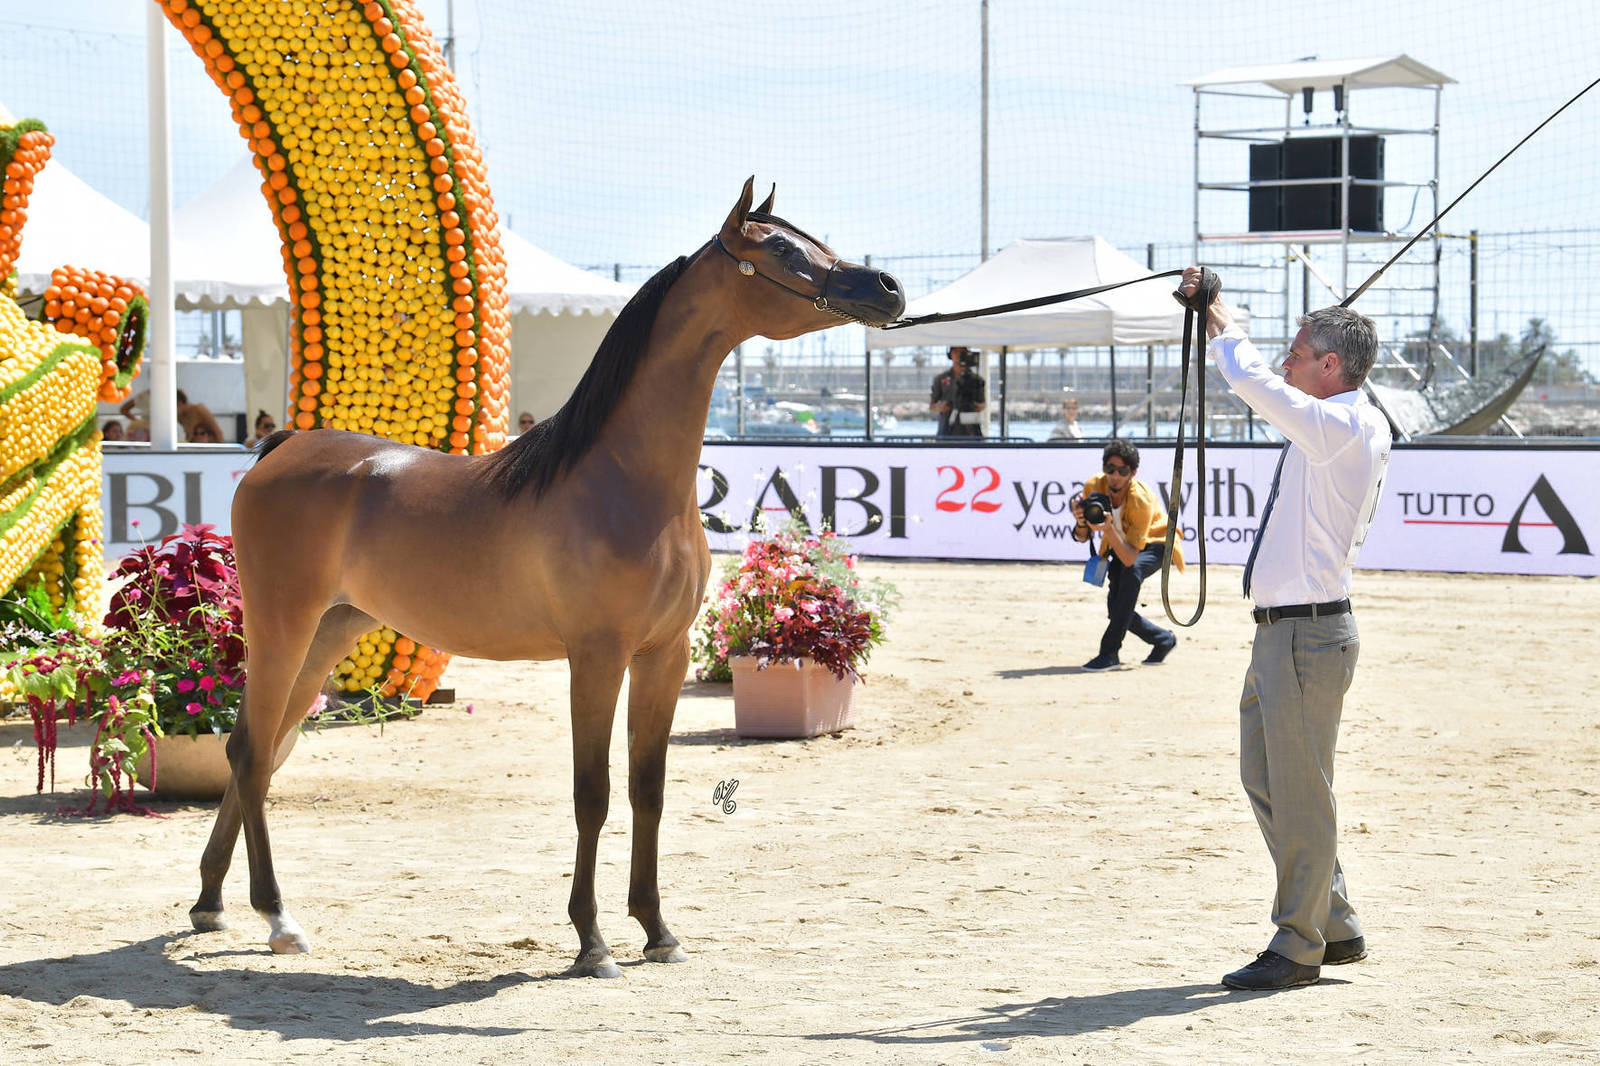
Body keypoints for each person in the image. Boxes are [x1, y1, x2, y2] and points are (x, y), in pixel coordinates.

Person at [1179, 266, 1391, 993]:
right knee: (1269, 777)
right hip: (1288, 634)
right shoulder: (1340, 422)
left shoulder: (1340, 424)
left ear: (1331, 364)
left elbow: (1252, 380)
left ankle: (1298, 943)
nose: (1289, 359)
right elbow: (1261, 374)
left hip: (1305, 635)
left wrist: (1221, 315)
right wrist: (1214, 311)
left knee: (1299, 790)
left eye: (1300, 350)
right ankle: (1332, 920)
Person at [1070, 439, 1181, 671]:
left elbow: (1131, 560)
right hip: (1120, 545)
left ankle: (1109, 652)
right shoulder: (1094, 486)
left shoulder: (1141, 499)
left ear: (1133, 473)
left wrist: (1108, 528)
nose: (1115, 476)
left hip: (1158, 543)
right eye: (1110, 469)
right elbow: (1081, 536)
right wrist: (1080, 522)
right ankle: (1163, 640)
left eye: (1123, 471)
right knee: (1116, 608)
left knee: (1133, 573)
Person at [121, 388, 226, 445]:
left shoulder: (199, 409)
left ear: (179, 403)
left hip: (210, 449)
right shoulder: (179, 417)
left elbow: (217, 431)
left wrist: (221, 449)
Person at [929, 347, 986, 437]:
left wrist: (974, 406)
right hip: (946, 430)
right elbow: (932, 407)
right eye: (955, 351)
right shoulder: (941, 379)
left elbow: (982, 404)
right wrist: (941, 407)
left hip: (970, 431)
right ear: (950, 354)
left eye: (962, 352)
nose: (958, 354)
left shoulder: (977, 380)